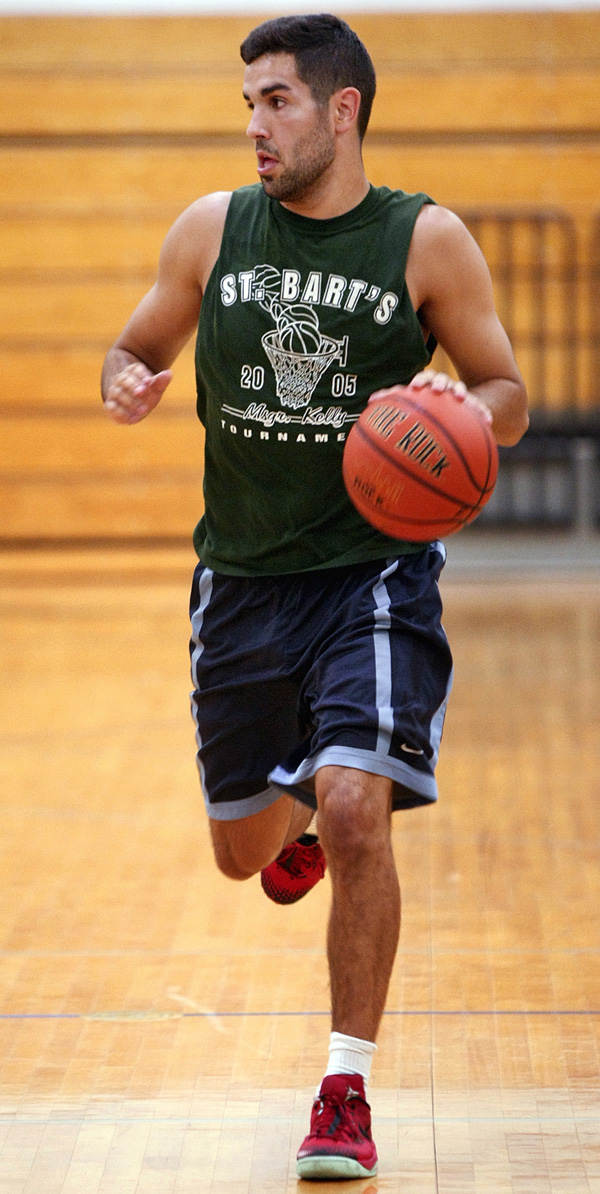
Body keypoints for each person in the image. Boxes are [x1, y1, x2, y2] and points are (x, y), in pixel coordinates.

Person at [101, 13, 528, 1181]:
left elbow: (504, 388)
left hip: (372, 577)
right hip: (240, 582)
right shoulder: (211, 230)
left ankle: (345, 1085)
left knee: (355, 807)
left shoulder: (424, 242)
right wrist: (129, 378)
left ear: (343, 111)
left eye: (277, 100)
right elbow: (131, 343)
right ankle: (289, 805)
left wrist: (458, 417)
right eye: (248, 102)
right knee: (245, 855)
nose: (254, 125)